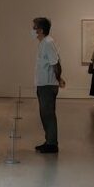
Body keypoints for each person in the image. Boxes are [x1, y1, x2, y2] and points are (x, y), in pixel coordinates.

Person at [33, 17, 65, 154]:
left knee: (48, 114)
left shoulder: (48, 43)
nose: (33, 30)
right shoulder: (43, 43)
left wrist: (59, 78)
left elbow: (55, 63)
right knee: (44, 114)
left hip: (47, 84)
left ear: (40, 29)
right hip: (43, 84)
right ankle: (49, 141)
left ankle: (52, 144)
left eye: (34, 27)